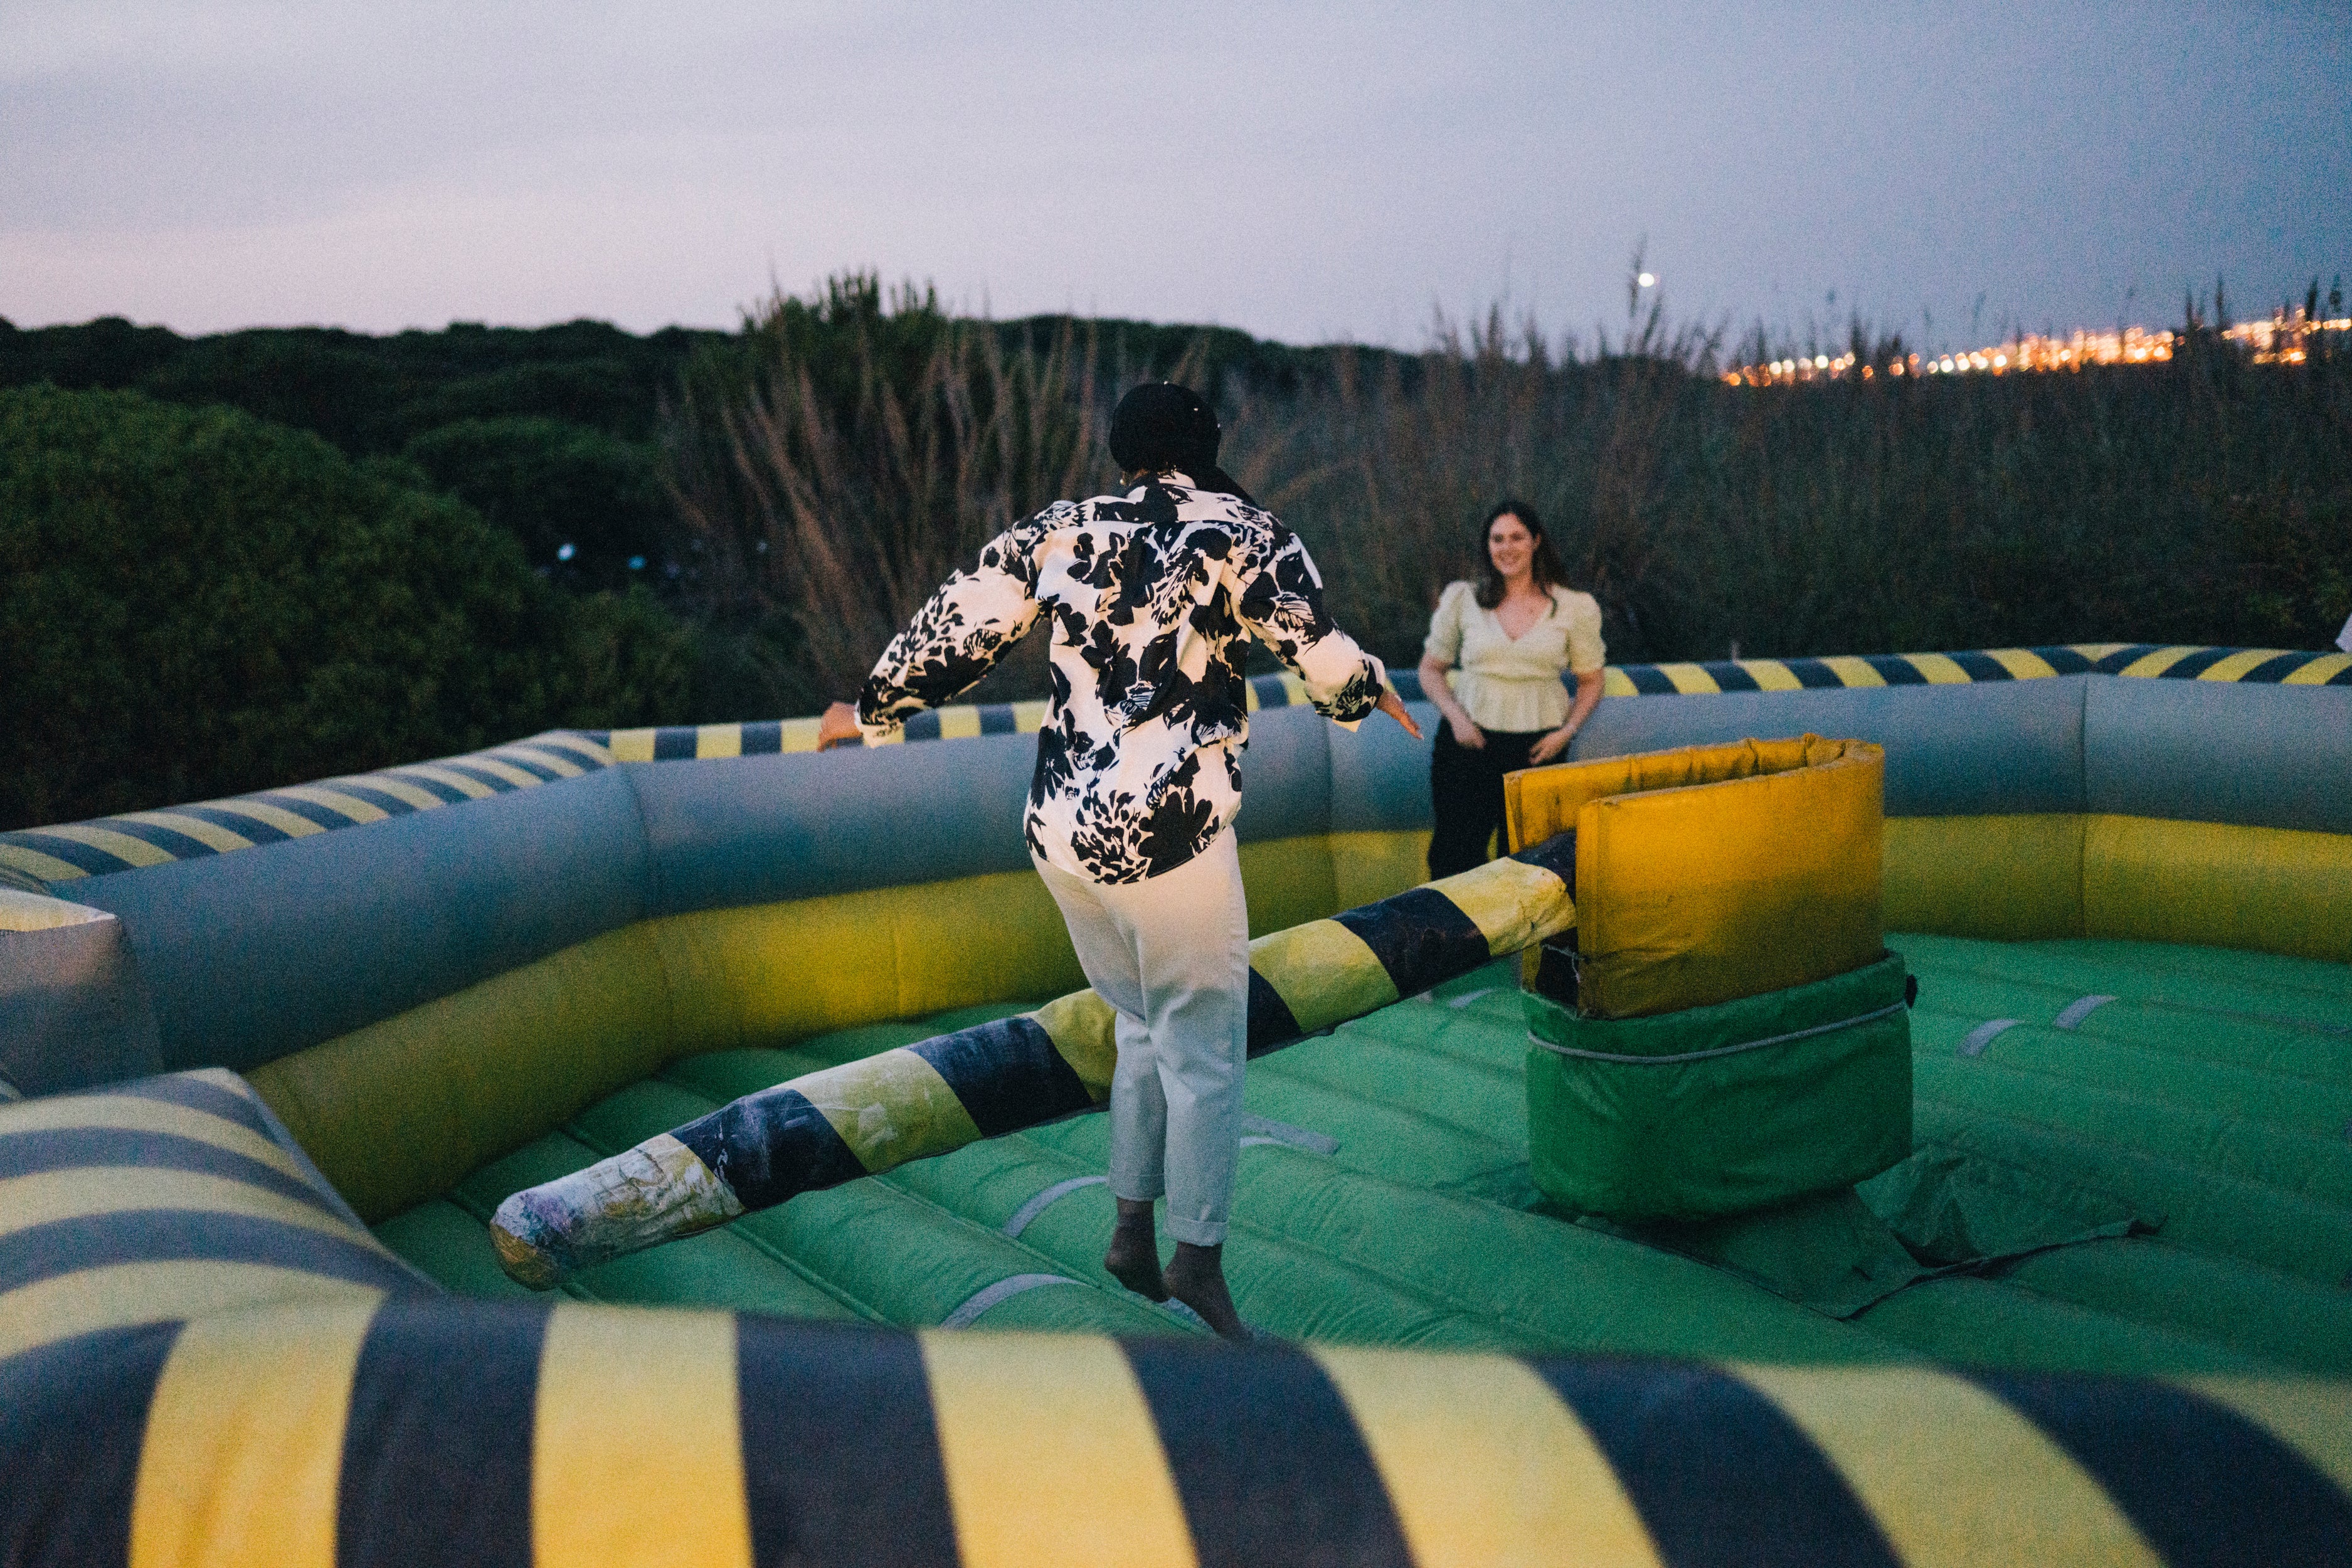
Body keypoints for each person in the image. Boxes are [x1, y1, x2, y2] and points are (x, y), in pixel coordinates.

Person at [816, 383, 1419, 1339]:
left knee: (1139, 1025)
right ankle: (1199, 1259)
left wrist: (873, 705)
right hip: (1171, 836)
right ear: (1202, 444)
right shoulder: (1242, 528)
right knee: (1206, 1052)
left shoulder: (1060, 528)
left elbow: (957, 625)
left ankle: (1131, 1228)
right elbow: (1315, 648)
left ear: (1121, 452)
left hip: (1062, 833)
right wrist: (1365, 696)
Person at [1416, 501, 1606, 881]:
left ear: (1536, 541)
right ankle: (1461, 941)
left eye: (1517, 537)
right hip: (1467, 744)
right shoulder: (1463, 599)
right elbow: (1430, 670)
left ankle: (1525, 943)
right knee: (1454, 861)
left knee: (1528, 865)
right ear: (1487, 546)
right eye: (1497, 539)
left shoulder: (1574, 607)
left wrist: (1566, 732)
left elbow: (1591, 680)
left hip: (1538, 750)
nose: (1507, 548)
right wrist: (1456, 720)